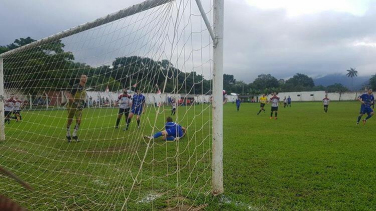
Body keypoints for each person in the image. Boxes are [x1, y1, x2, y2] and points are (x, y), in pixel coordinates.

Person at [66, 75, 88, 142]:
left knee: (79, 120)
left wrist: (84, 102)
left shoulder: (84, 87)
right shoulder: (76, 86)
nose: (85, 78)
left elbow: (82, 97)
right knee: (70, 120)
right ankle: (68, 134)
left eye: (86, 77)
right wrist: (75, 103)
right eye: (83, 77)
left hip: (79, 107)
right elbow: (69, 96)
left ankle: (74, 135)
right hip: (71, 106)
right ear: (80, 78)